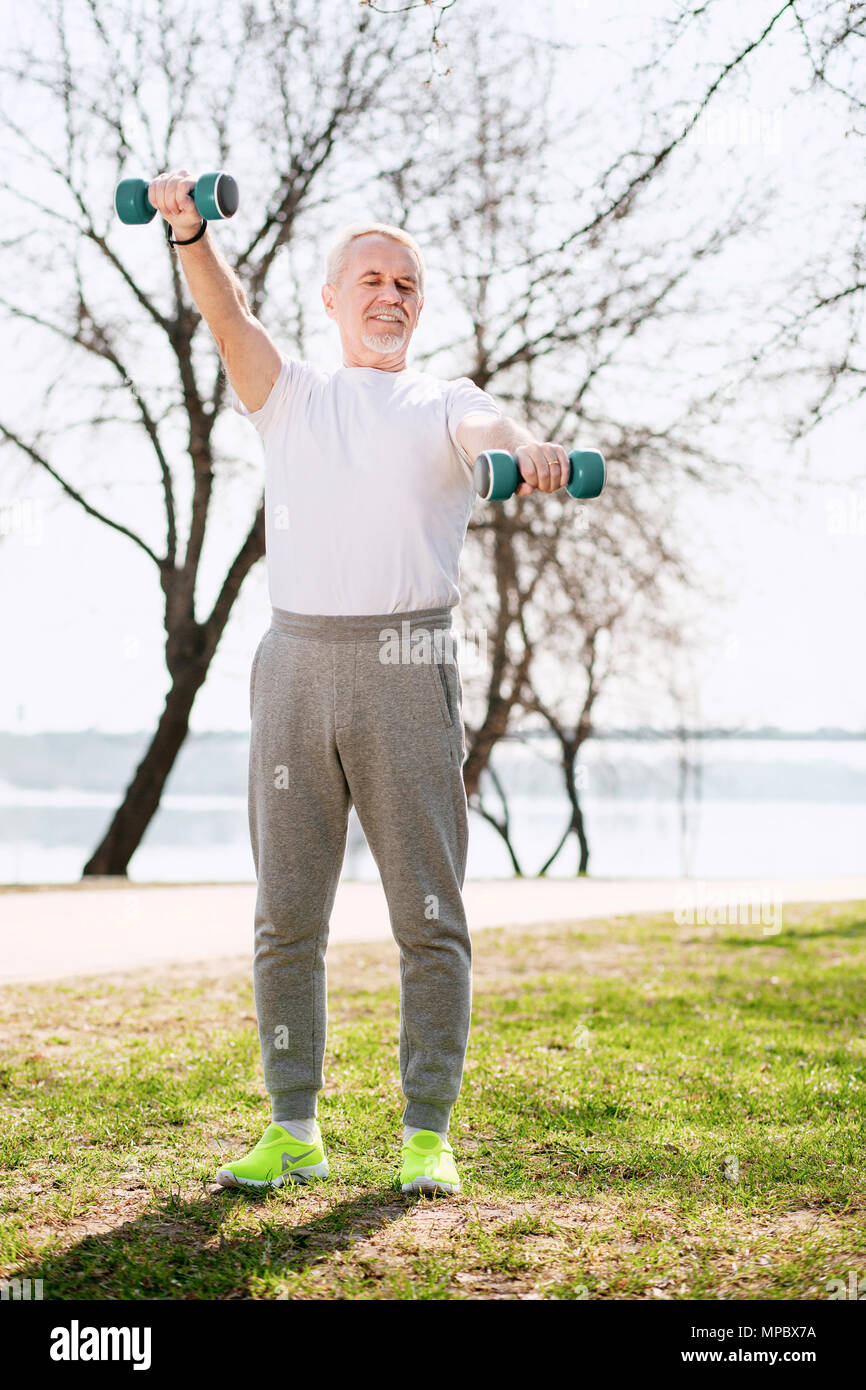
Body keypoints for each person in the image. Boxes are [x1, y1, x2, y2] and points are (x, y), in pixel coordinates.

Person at [150, 170, 574, 1195]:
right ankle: (292, 1126)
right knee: (284, 913)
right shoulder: (288, 393)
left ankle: (426, 1131)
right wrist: (188, 231)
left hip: (404, 664)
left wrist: (530, 450)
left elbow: (493, 437)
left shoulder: (443, 401)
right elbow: (226, 312)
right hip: (292, 663)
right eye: (371, 280)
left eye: (408, 285)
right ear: (333, 298)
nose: (391, 295)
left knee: (427, 913)